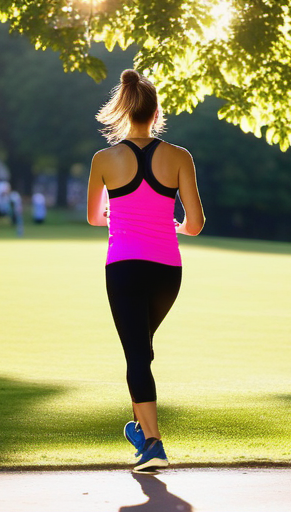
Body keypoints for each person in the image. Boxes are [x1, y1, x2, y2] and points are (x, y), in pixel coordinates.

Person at [87, 69, 205, 472]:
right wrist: (174, 226)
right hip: (167, 270)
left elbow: (93, 217)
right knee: (142, 351)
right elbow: (196, 223)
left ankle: (152, 441)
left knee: (137, 354)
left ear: (125, 113)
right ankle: (141, 432)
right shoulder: (179, 156)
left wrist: (119, 216)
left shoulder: (104, 159)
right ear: (156, 113)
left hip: (123, 266)